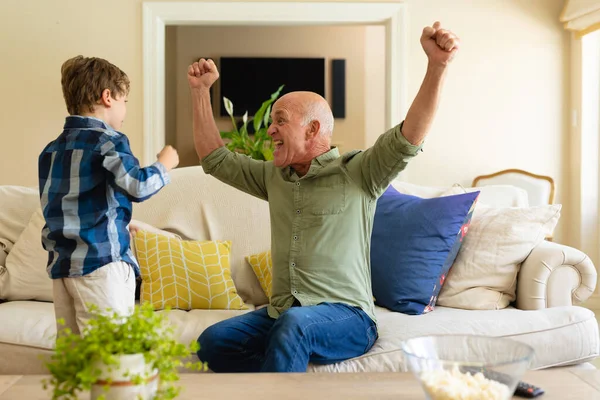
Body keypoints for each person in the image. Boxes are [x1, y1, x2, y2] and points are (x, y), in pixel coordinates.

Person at [188, 21, 459, 372]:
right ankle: (286, 371)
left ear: (313, 129)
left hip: (347, 316)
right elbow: (215, 160)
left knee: (294, 327)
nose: (270, 129)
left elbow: (409, 137)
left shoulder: (360, 172)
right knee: (213, 342)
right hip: (283, 315)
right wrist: (199, 91)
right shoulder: (274, 177)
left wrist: (437, 65)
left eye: (280, 121)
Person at [38, 55, 179, 337]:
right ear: (107, 97)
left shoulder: (52, 150)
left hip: (63, 269)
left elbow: (62, 206)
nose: (125, 109)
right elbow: (137, 186)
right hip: (101, 264)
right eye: (124, 100)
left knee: (74, 358)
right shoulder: (109, 142)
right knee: (112, 356)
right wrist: (164, 164)